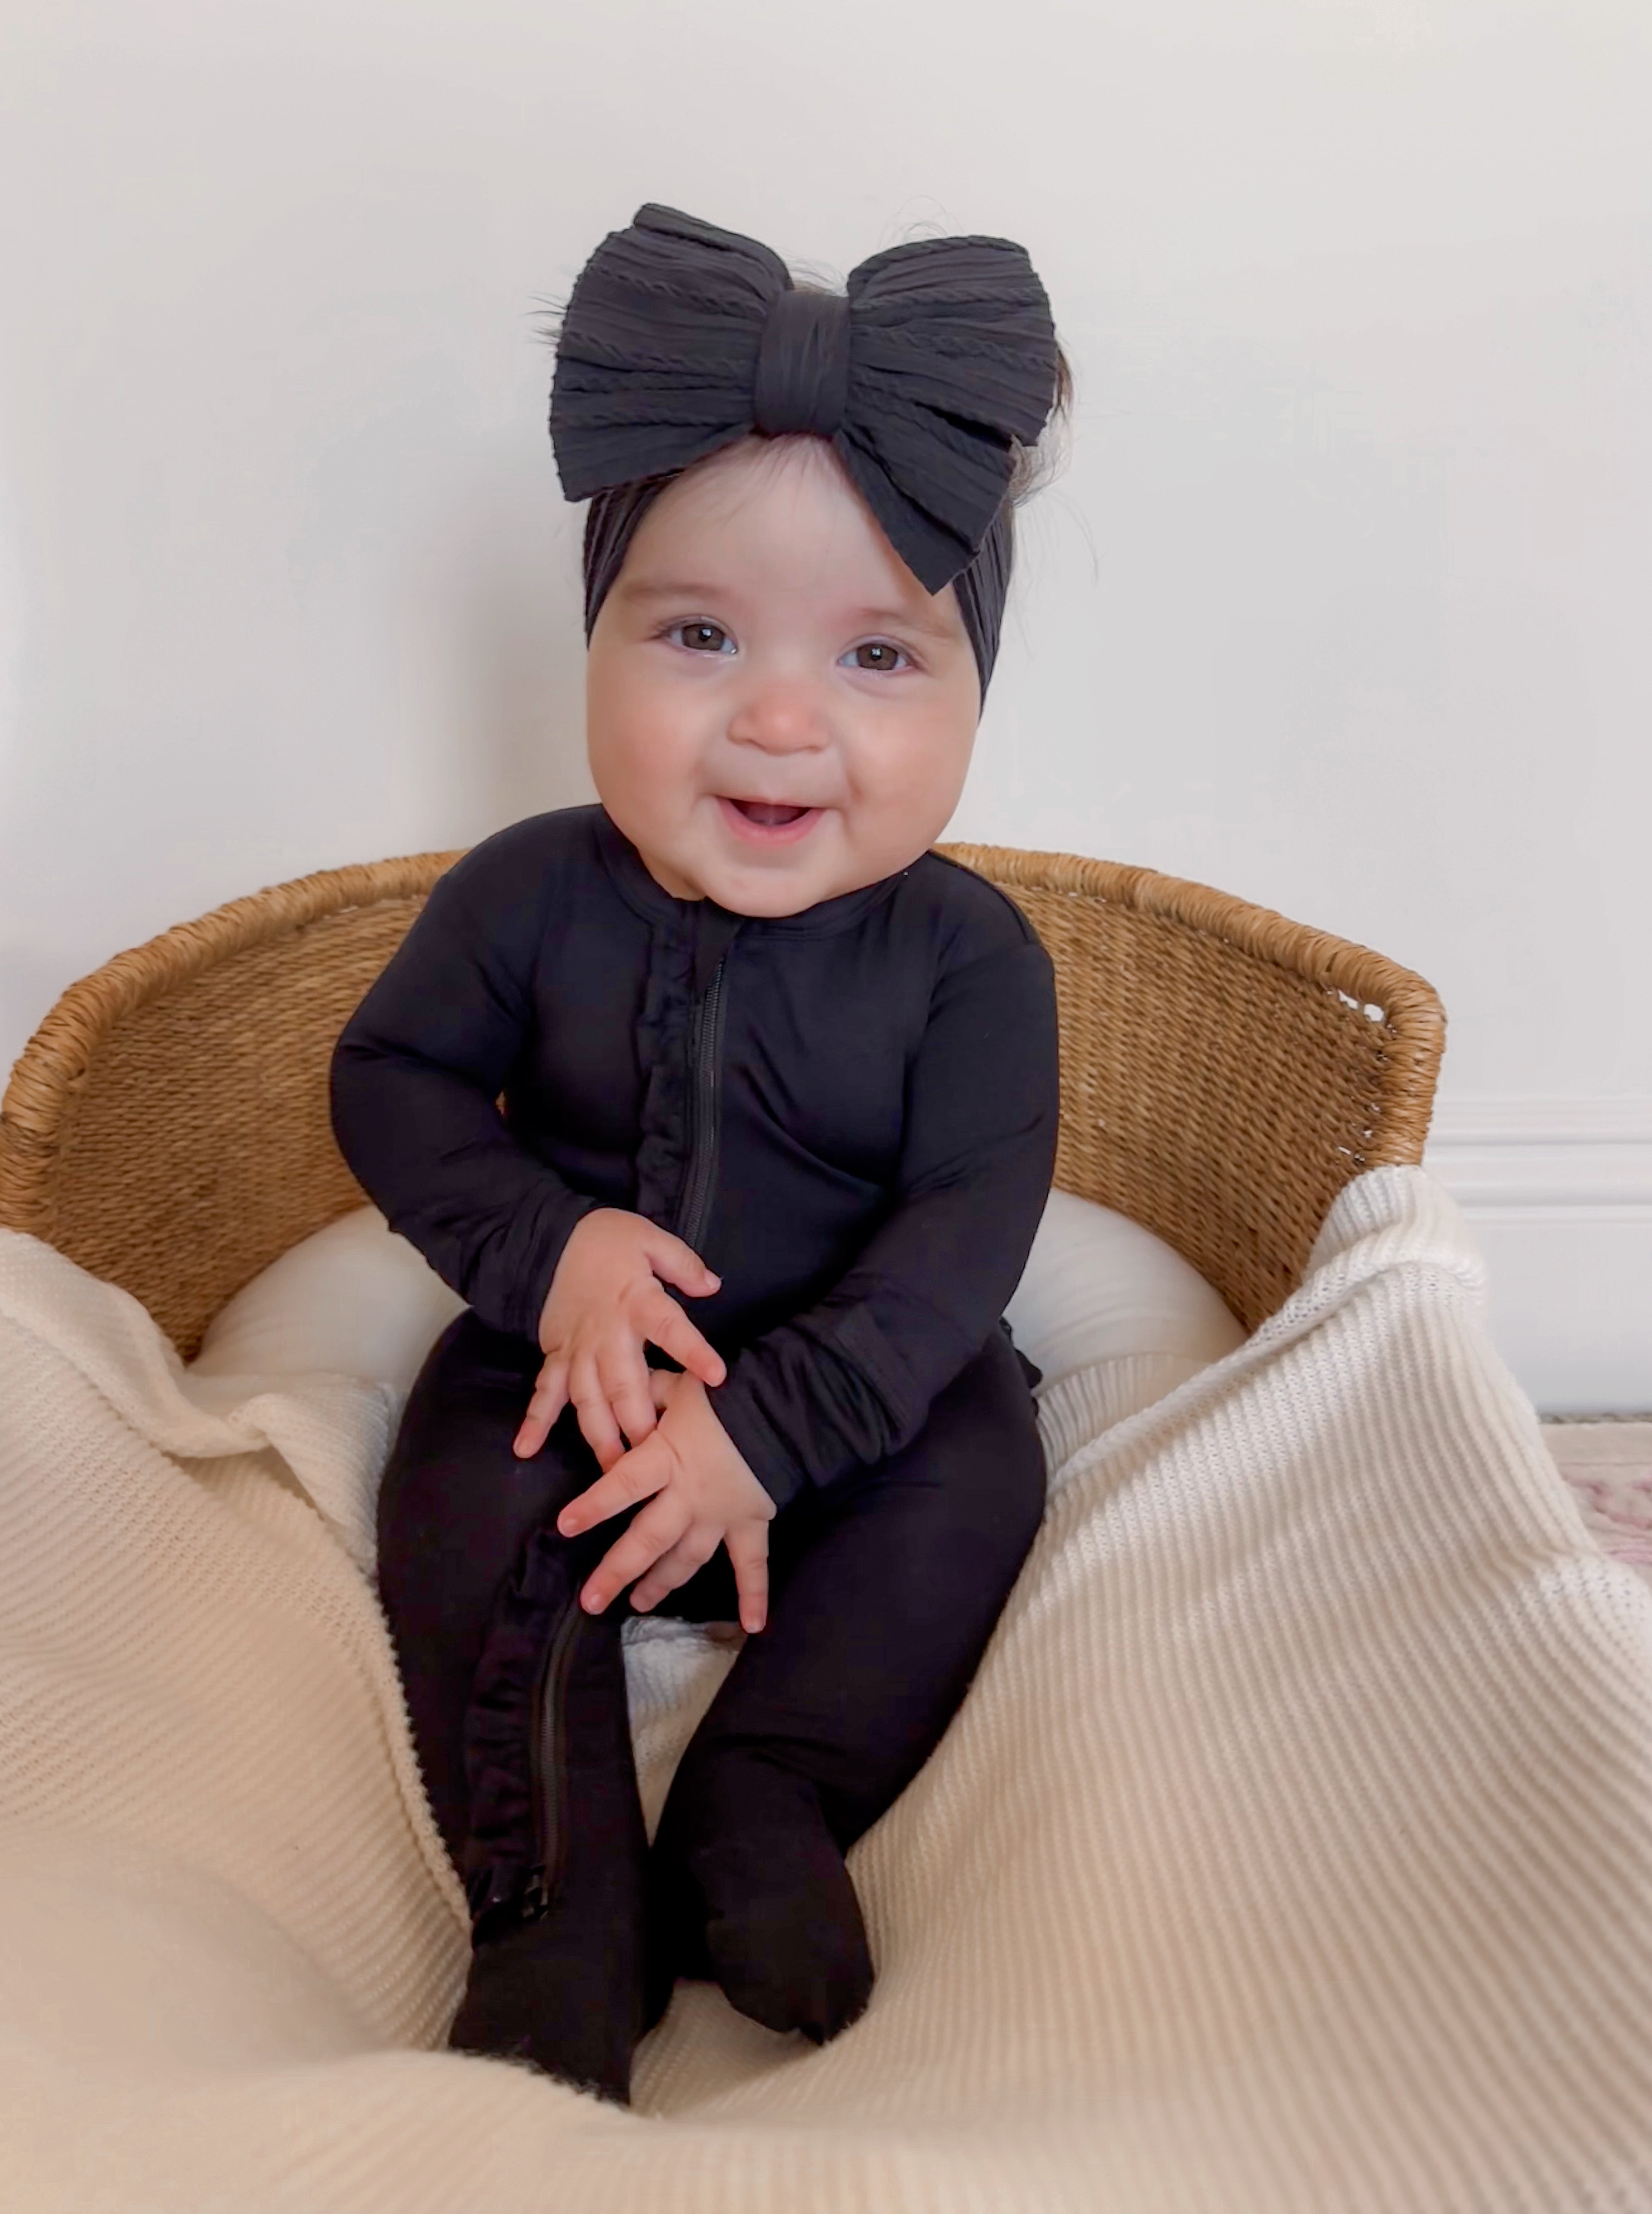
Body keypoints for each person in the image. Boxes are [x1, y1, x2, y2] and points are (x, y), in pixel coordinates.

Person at [330, 202, 1070, 2106]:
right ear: (595, 640)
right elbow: (393, 1078)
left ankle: (771, 1787)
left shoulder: (968, 959)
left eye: (879, 657)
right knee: (462, 1491)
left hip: (859, 1396)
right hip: (582, 1362)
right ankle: (557, 1891)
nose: (776, 716)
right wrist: (547, 1248)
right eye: (697, 632)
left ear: (978, 688)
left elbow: (964, 1233)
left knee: (979, 1472)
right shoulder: (522, 897)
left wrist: (783, 1427)